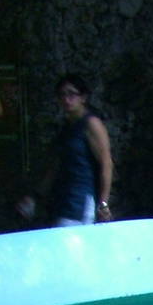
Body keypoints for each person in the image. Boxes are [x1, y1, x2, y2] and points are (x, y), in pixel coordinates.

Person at [20, 74, 113, 226]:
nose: (66, 99)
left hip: (80, 201)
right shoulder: (66, 128)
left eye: (72, 94)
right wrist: (36, 196)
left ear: (83, 97)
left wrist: (103, 203)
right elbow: (55, 167)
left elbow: (106, 163)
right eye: (62, 95)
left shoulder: (91, 124)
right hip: (63, 200)